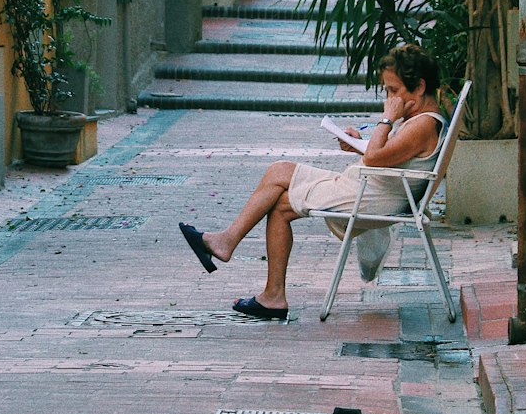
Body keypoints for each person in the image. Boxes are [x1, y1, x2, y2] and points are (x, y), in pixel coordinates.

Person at [178, 43, 447, 320]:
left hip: (369, 196)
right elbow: (386, 155)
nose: (389, 98)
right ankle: (248, 268)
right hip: (368, 187)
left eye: (394, 90)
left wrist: (386, 119)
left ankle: (251, 272)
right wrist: (357, 144)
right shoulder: (421, 120)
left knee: (281, 197)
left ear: (420, 87)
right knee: (279, 175)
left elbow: (376, 158)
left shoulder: (422, 125)